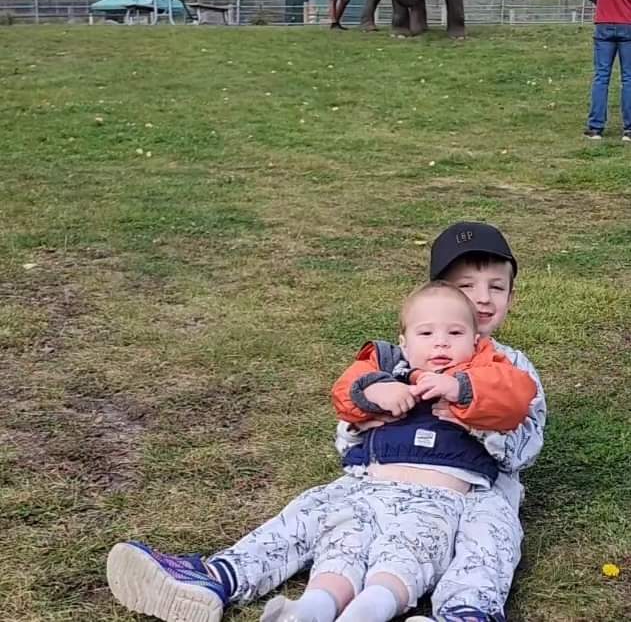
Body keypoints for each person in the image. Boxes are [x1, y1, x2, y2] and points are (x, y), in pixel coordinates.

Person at [106, 222, 546, 622]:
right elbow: (347, 422)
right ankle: (219, 576)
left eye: (497, 287)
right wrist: (371, 410)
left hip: (465, 487)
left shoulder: (512, 365)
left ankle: (466, 612)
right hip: (375, 480)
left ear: (511, 295)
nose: (483, 299)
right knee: (307, 514)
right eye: (466, 287)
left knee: (488, 540)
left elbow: (525, 444)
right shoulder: (396, 360)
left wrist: (467, 412)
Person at [260, 281, 537, 622]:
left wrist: (460, 388)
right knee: (344, 543)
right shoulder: (389, 366)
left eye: (454, 333)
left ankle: (366, 612)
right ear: (405, 343)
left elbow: (515, 396)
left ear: (476, 341)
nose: (440, 342)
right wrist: (374, 390)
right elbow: (346, 390)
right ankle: (312, 608)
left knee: (404, 553)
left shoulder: (487, 369)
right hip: (372, 486)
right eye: (426, 334)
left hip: (439, 495)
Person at [577, 0, 631, 141]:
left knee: (601, 76)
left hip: (604, 23)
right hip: (629, 23)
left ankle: (596, 128)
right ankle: (629, 130)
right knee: (629, 77)